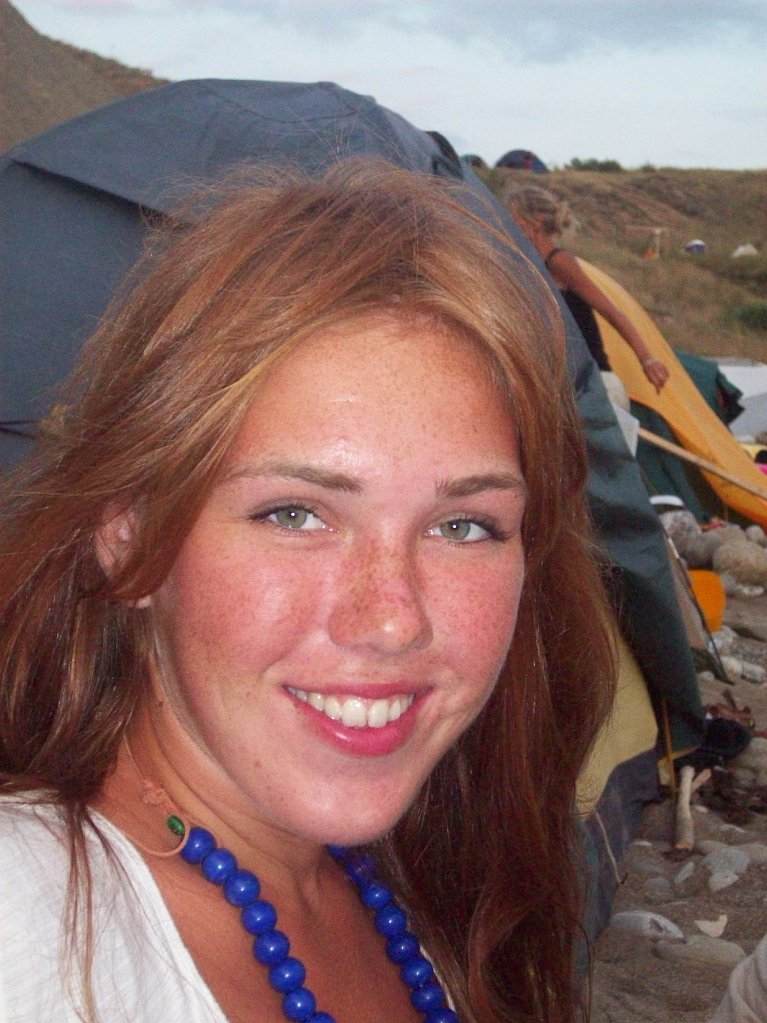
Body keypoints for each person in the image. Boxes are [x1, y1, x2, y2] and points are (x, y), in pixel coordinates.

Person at [0, 160, 616, 1023]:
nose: (391, 619)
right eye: (294, 513)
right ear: (129, 535)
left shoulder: (424, 888)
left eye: (463, 525)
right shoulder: (24, 926)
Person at [505, 184, 670, 396]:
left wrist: (648, 360)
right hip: (575, 387)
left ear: (534, 221)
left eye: (513, 221)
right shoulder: (535, 268)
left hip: (596, 386)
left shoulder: (559, 262)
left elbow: (612, 313)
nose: (509, 229)